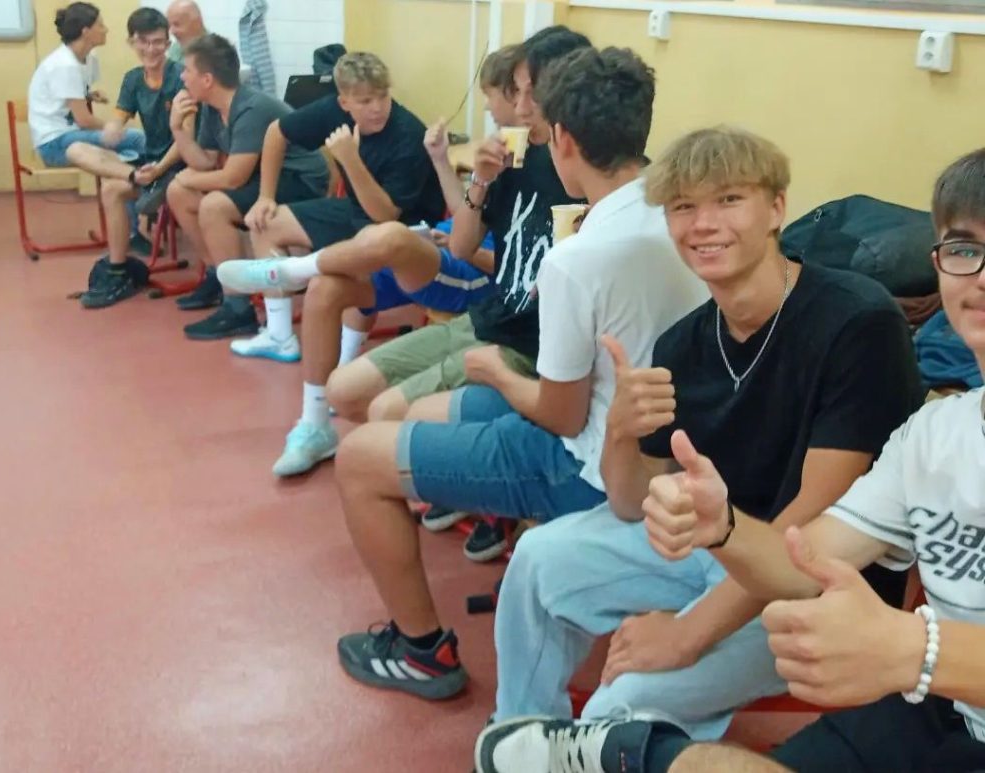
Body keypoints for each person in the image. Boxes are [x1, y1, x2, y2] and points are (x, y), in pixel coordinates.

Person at [477, 148, 985, 773]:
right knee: (537, 558)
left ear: (776, 209)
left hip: (809, 594)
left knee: (621, 708)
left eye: (729, 200)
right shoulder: (683, 343)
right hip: (740, 553)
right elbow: (635, 503)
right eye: (683, 207)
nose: (704, 224)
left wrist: (687, 633)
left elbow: (809, 535)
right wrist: (620, 433)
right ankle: (517, 739)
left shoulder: (856, 320)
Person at [332, 45, 711, 703]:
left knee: (359, 458)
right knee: (415, 411)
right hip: (667, 446)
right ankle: (484, 528)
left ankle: (421, 651)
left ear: (561, 139)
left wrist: (495, 374)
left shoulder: (578, 256)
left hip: (589, 463)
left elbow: (562, 416)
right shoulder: (683, 215)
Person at [213, 46, 519, 479]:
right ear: (345, 101)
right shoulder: (503, 153)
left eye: (492, 97)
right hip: (435, 245)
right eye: (365, 100)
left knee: (389, 234)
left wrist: (462, 246)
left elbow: (508, 263)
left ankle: (297, 269)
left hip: (469, 275)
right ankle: (314, 426)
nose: (486, 107)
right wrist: (443, 161)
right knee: (326, 289)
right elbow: (464, 214)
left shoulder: (415, 136)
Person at [323, 26, 591, 428]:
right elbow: (462, 246)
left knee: (385, 412)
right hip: (490, 318)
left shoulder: (588, 174)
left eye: (530, 94)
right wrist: (480, 180)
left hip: (530, 343)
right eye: (515, 92)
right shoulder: (517, 153)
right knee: (343, 390)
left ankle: (426, 449)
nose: (519, 108)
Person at [213, 52, 444, 355]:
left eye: (382, 96)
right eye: (365, 101)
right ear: (344, 102)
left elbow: (385, 215)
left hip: (405, 228)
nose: (377, 108)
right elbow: (275, 132)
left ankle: (347, 358)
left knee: (354, 266)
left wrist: (350, 159)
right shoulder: (331, 111)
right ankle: (279, 337)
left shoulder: (408, 134)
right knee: (265, 223)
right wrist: (265, 197)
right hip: (355, 210)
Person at [162, 34, 328, 340]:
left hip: (299, 180)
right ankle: (219, 276)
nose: (182, 77)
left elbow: (232, 178)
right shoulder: (212, 108)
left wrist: (186, 178)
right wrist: (178, 129)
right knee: (178, 193)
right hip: (262, 178)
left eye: (187, 70)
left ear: (207, 79)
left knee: (213, 205)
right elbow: (204, 162)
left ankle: (237, 308)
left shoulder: (253, 108)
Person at [64, 8, 185, 309]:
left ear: (168, 43)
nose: (151, 49)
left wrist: (159, 169)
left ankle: (122, 260)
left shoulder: (180, 77)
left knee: (114, 187)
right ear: (132, 42)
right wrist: (113, 128)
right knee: (95, 170)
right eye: (143, 42)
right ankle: (118, 270)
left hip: (179, 164)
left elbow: (187, 140)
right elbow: (120, 115)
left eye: (158, 42)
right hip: (152, 162)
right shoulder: (133, 79)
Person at [28, 2, 145, 169]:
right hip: (54, 143)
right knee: (137, 139)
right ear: (86, 31)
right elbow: (83, 120)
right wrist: (112, 127)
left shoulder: (89, 58)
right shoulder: (64, 65)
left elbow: (65, 95)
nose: (106, 30)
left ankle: (124, 167)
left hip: (73, 135)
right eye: (100, 25)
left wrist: (88, 95)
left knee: (130, 145)